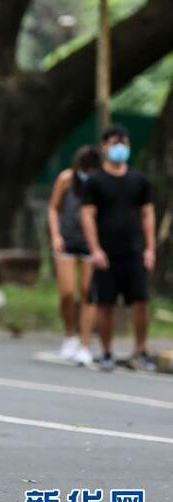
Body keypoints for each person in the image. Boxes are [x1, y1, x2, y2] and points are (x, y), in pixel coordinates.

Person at [81, 124, 156, 372]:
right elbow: (88, 216)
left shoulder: (139, 180)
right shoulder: (95, 182)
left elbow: (148, 215)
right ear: (104, 147)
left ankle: (141, 349)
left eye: (123, 143)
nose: (119, 148)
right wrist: (95, 249)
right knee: (106, 305)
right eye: (114, 143)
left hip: (134, 251)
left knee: (141, 302)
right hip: (106, 254)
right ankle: (107, 352)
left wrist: (150, 249)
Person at [47, 145, 100, 366]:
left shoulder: (100, 184)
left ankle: (86, 344)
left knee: (88, 293)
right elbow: (53, 208)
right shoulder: (66, 179)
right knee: (67, 292)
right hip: (67, 241)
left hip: (90, 243)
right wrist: (56, 235)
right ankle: (70, 335)